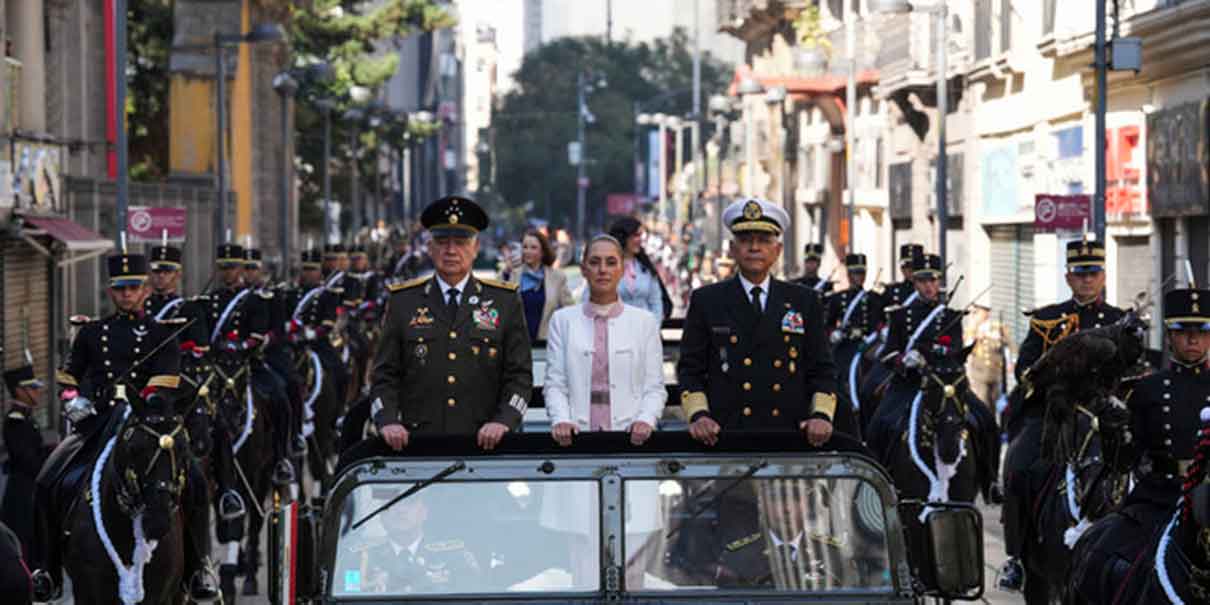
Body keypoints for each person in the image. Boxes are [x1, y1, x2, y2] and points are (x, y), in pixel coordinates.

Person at [31, 248, 219, 603]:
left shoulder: (161, 334)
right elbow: (69, 375)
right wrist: (73, 400)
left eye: (134, 287)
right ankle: (47, 569)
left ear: (145, 289)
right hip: (97, 422)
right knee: (47, 479)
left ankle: (199, 569)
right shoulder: (92, 332)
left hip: (147, 422)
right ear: (111, 291)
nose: (127, 294)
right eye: (120, 289)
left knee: (194, 481)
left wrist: (142, 402)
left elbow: (165, 383)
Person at [997, 238, 1125, 591]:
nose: (1087, 280)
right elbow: (1025, 371)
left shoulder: (1120, 321)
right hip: (1054, 418)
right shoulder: (1047, 319)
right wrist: (1054, 374)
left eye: (1093, 273)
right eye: (1080, 274)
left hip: (1103, 418)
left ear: (1103, 276)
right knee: (1017, 468)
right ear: (1068, 277)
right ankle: (1017, 557)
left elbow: (1133, 372)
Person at [366, 196, 533, 453]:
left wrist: (504, 421)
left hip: (487, 446)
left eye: (461, 242)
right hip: (418, 446)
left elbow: (519, 376)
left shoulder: (504, 301)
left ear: (476, 248)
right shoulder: (404, 301)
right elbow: (384, 375)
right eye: (442, 242)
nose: (451, 251)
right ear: (430, 248)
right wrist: (387, 420)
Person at [678, 198, 841, 447]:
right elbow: (690, 369)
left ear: (778, 250)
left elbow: (822, 369)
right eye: (745, 240)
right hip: (725, 435)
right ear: (732, 249)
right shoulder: (707, 300)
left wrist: (820, 415)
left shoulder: (804, 301)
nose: (754, 247)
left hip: (789, 436)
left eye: (764, 240)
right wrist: (699, 416)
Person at [545, 234, 666, 446]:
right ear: (583, 269)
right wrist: (561, 419)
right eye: (594, 262)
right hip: (575, 438)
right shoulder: (562, 321)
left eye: (611, 263)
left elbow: (654, 387)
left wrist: (646, 419)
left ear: (622, 269)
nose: (602, 270)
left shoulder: (645, 322)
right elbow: (555, 383)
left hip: (631, 438)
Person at [348, 489, 481, 594]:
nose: (401, 510)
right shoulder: (359, 561)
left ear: (424, 512)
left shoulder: (454, 557)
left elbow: (473, 596)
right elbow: (348, 597)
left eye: (409, 502)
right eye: (392, 504)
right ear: (382, 515)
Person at [2, 361, 49, 557]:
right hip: (22, 492)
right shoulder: (16, 420)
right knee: (24, 542)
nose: (37, 392)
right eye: (32, 388)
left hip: (31, 489)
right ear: (19, 391)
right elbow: (27, 459)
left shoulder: (26, 417)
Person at [508, 230, 575, 342]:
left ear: (543, 252)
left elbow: (569, 310)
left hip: (547, 343)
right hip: (518, 343)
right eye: (525, 247)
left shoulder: (557, 277)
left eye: (533, 247)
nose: (528, 251)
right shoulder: (513, 275)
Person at [608, 217, 670, 319]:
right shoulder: (606, 268)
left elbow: (656, 304)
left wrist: (653, 325)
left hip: (645, 326)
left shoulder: (646, 268)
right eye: (636, 235)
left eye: (641, 235)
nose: (640, 239)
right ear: (623, 236)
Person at [881, 243, 923, 309]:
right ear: (902, 269)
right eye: (907, 266)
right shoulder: (891, 291)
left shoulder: (931, 291)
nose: (911, 270)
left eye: (915, 266)